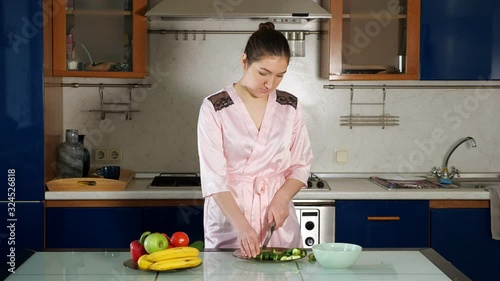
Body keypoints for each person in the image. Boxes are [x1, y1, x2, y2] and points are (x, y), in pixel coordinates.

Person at [197, 22, 313, 258]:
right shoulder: (215, 107)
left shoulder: (290, 106)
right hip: (230, 221)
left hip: (276, 222)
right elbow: (214, 179)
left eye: (280, 76)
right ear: (244, 62)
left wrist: (282, 198)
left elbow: (301, 166)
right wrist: (241, 226)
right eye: (263, 73)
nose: (270, 84)